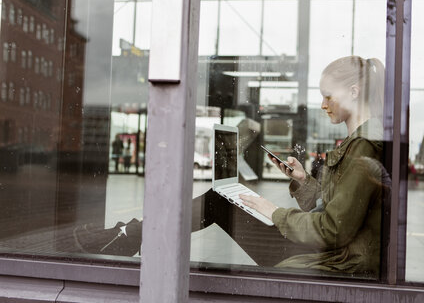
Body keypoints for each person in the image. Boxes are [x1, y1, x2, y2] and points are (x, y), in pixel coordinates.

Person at [74, 56, 389, 277]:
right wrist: (303, 181)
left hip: (328, 261)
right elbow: (335, 212)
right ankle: (127, 233)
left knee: (218, 201)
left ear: (353, 92)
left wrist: (272, 211)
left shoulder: (362, 148)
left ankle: (126, 234)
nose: (323, 105)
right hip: (329, 254)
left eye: (327, 96)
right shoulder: (359, 144)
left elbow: (333, 231)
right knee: (220, 198)